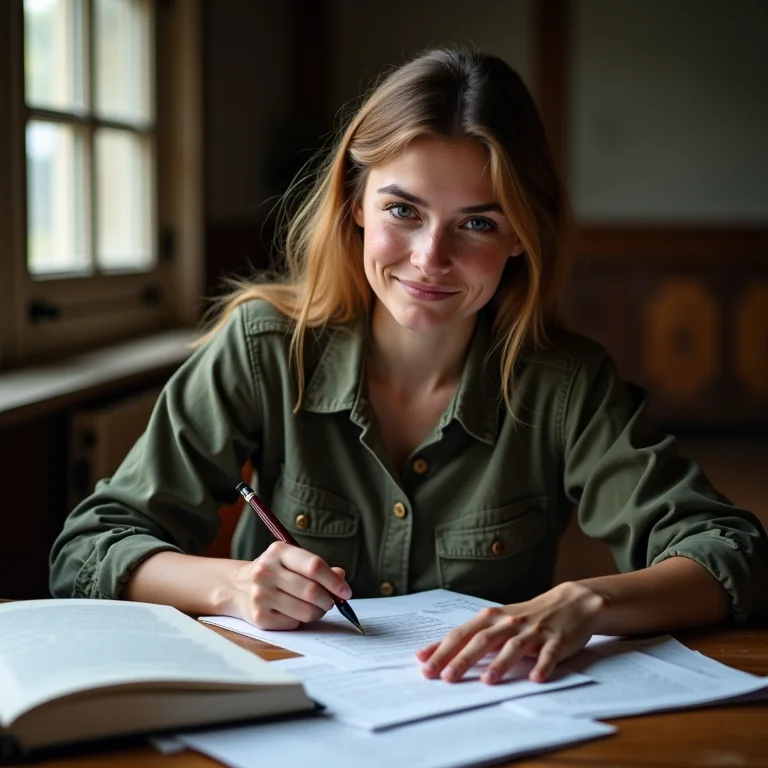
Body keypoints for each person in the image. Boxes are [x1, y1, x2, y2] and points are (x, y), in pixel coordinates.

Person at [50, 47, 768, 687]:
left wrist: (589, 598)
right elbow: (88, 549)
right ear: (356, 203)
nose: (430, 258)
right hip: (277, 721)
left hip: (483, 722)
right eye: (403, 210)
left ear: (521, 235)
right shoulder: (263, 348)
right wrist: (234, 586)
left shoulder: (566, 385)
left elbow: (734, 553)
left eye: (478, 223)